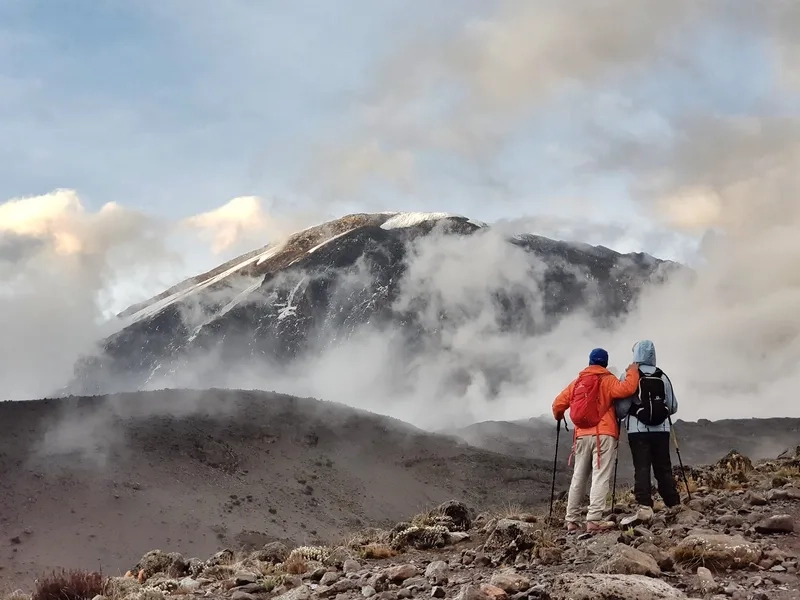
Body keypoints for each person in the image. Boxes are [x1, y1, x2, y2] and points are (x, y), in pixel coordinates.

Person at [552, 348, 641, 533]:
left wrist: (559, 415)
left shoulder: (578, 382)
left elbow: (557, 404)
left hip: (581, 436)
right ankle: (593, 520)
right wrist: (633, 370)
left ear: (590, 361)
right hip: (604, 435)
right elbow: (628, 388)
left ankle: (572, 520)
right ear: (605, 363)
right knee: (600, 476)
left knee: (578, 477)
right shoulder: (607, 380)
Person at [615, 339, 680, 509]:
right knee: (663, 466)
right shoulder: (662, 376)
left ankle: (644, 504)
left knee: (642, 466)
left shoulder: (631, 376)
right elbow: (673, 406)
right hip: (662, 430)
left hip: (638, 431)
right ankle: (673, 502)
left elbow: (622, 409)